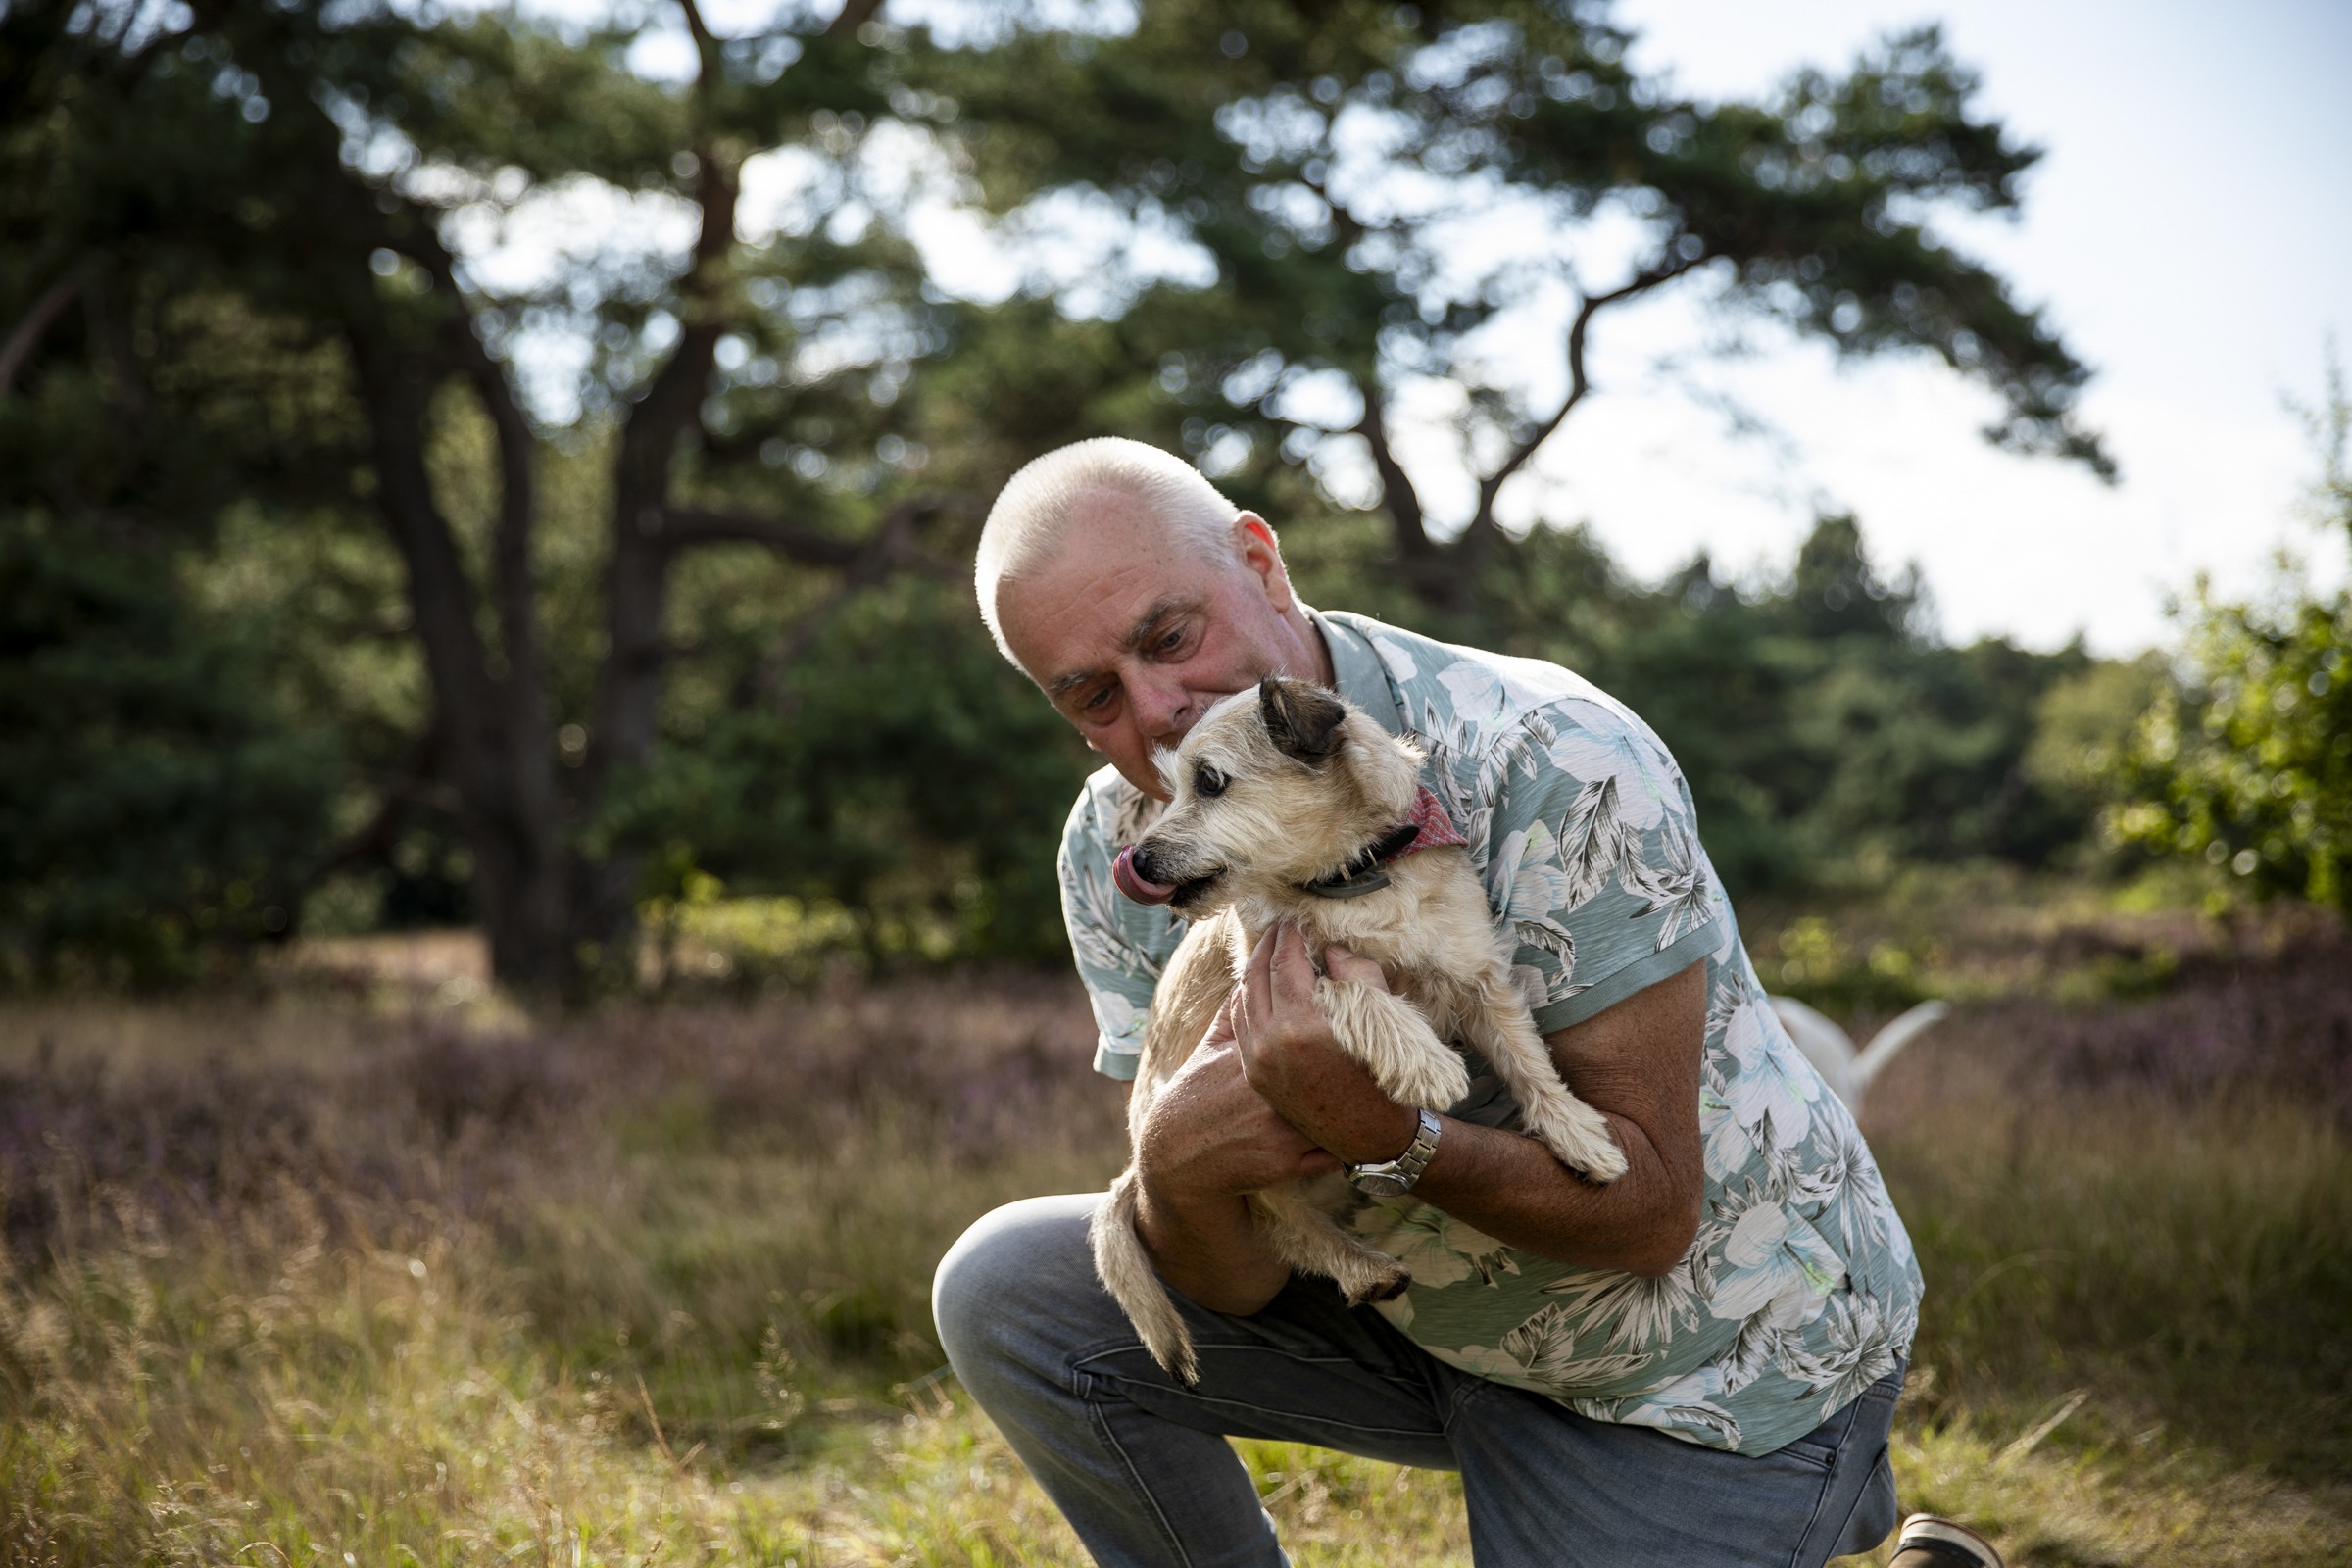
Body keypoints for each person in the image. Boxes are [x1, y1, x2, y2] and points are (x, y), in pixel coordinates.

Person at [931, 437, 1983, 1568]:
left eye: (1170, 636)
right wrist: (1185, 1171)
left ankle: (1830, 1501)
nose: (1161, 717)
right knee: (1007, 1287)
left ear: (1262, 562)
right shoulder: (1123, 842)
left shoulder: (1556, 753)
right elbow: (1231, 1278)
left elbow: (1653, 1215)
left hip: (1709, 1352)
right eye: (1094, 694)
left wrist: (1385, 1132)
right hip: (1421, 1314)